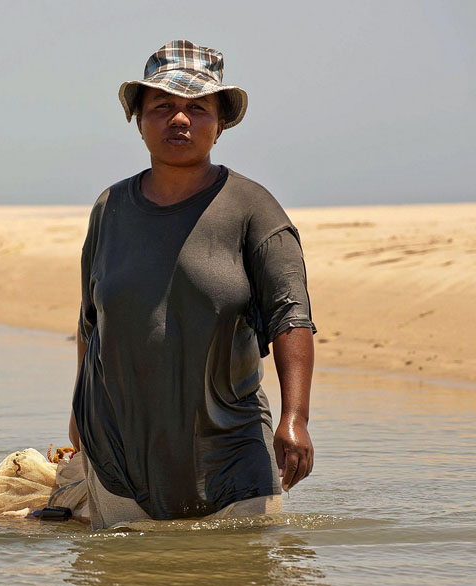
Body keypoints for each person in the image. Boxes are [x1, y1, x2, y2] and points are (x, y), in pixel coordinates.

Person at [71, 40, 316, 529]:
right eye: (162, 106)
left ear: (220, 123)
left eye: (196, 108)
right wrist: (77, 415)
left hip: (230, 454)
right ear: (138, 119)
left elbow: (293, 319)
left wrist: (296, 419)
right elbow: (90, 322)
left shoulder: (253, 209)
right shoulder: (109, 208)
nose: (178, 119)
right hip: (118, 456)